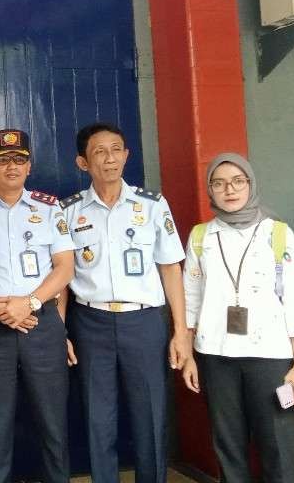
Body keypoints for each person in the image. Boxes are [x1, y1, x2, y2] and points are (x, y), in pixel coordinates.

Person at [60, 122, 190, 483]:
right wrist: (60, 329)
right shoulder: (69, 211)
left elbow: (171, 270)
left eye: (116, 149)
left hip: (144, 323)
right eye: (99, 152)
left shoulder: (151, 206)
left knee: (150, 414)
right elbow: (63, 280)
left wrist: (181, 332)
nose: (110, 158)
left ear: (127, 155)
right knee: (98, 417)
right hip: (91, 323)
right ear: (83, 162)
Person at [180, 152, 294, 482]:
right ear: (210, 189)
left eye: (238, 181)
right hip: (216, 356)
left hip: (269, 356)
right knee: (228, 446)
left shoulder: (277, 233)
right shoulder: (201, 237)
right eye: (219, 183)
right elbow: (190, 301)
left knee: (277, 446)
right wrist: (189, 355)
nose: (230, 189)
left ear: (251, 184)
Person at [0, 129, 75, 482]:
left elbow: (65, 267)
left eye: (19, 159)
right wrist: (0, 309)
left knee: (53, 422)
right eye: (2, 160)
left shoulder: (50, 208)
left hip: (43, 323)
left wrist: (31, 303)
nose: (12, 166)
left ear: (29, 166)